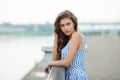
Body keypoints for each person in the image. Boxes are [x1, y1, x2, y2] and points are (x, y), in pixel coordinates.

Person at [44, 10, 88, 80]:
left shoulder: (76, 35)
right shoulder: (68, 41)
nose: (65, 28)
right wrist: (56, 37)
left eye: (68, 24)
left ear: (74, 23)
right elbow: (55, 60)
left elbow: (67, 63)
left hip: (77, 76)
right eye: (62, 25)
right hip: (67, 76)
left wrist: (50, 63)